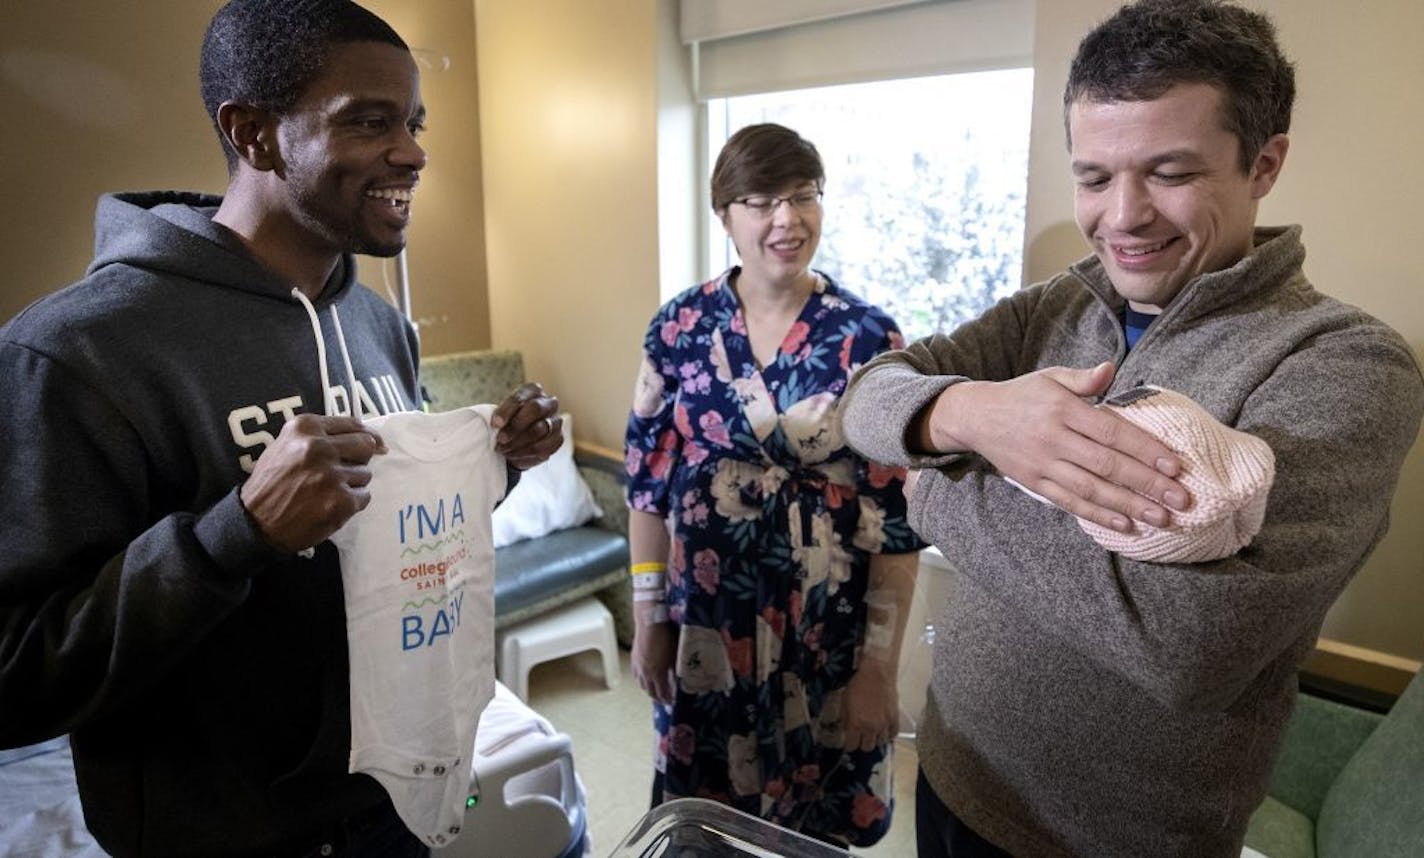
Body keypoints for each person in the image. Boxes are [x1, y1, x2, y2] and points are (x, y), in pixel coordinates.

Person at [838, 1, 1424, 856]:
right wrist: (974, 413)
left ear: (1263, 165)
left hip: (1116, 838)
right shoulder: (1064, 302)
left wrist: (936, 486)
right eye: (1094, 176)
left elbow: (1185, 647)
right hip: (956, 770)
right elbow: (866, 397)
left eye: (1171, 172)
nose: (1123, 216)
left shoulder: (1342, 366)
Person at [0, 1, 562, 855]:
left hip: (394, 804)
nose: (413, 151)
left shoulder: (380, 326)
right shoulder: (74, 354)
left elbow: (387, 545)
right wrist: (238, 533)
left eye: (411, 121)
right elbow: (16, 678)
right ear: (255, 134)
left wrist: (502, 466)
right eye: (370, 121)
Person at [623, 122, 924, 847]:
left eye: (802, 197)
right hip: (707, 630)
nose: (786, 220)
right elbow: (645, 483)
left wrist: (880, 671)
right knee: (707, 829)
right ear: (724, 213)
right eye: (760, 201)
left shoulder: (867, 339)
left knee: (815, 827)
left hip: (826, 636)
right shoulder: (679, 328)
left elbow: (895, 517)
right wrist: (648, 617)